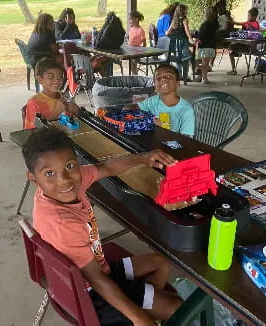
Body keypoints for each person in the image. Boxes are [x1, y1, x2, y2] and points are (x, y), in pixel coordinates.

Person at [22, 127, 183, 325]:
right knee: (177, 309)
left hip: (97, 267)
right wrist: (138, 318)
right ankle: (140, 314)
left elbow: (107, 168)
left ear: (76, 163)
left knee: (161, 263)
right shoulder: (62, 222)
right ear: (33, 178)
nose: (63, 179)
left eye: (70, 166)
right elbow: (96, 279)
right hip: (90, 293)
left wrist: (143, 158)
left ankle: (145, 306)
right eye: (49, 173)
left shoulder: (69, 185)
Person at [127, 64, 195, 137]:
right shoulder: (153, 101)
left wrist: (162, 130)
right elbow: (128, 108)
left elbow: (186, 141)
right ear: (155, 86)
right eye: (158, 78)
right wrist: (147, 118)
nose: (163, 79)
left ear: (177, 83)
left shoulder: (186, 110)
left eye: (169, 76)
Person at [24, 58, 79, 129]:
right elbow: (34, 131)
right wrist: (56, 112)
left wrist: (76, 110)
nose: (57, 80)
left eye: (60, 76)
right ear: (40, 79)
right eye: (50, 76)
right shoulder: (34, 102)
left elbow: (72, 120)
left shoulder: (64, 97)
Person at [227, 7, 260, 75]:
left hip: (249, 47)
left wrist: (233, 22)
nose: (248, 17)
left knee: (231, 48)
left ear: (255, 16)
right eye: (248, 15)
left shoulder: (254, 24)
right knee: (231, 49)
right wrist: (232, 22)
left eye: (249, 16)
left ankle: (234, 68)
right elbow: (239, 24)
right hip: (247, 46)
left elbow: (241, 24)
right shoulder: (248, 23)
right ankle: (236, 53)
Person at [197, 7, 219, 84]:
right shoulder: (216, 23)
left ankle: (203, 77)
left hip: (204, 46)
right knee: (206, 63)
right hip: (211, 46)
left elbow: (201, 35)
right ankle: (204, 77)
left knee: (204, 64)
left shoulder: (206, 24)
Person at [128, 10, 146, 75]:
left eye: (131, 19)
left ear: (136, 19)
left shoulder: (141, 30)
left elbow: (144, 43)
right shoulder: (131, 28)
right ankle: (133, 75)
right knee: (131, 63)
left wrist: (140, 51)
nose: (129, 21)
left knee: (133, 62)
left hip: (136, 52)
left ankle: (135, 76)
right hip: (130, 50)